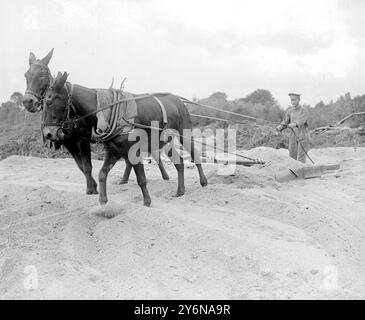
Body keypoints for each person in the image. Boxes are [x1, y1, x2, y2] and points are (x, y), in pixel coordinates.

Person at [276, 93, 309, 163]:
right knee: (292, 154)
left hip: (302, 135)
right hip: (292, 136)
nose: (293, 102)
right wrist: (280, 127)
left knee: (301, 156)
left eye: (294, 100)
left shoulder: (304, 110)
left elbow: (301, 120)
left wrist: (294, 124)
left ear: (299, 100)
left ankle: (301, 170)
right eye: (291, 100)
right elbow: (285, 121)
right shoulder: (290, 111)